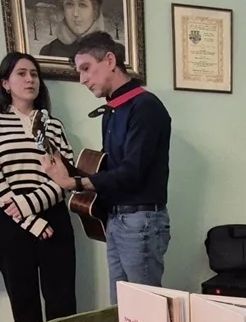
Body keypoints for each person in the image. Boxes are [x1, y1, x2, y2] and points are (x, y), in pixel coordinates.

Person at [42, 31, 171, 304]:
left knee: (144, 312)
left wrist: (73, 184)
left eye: (86, 68)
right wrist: (65, 170)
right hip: (116, 219)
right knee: (120, 309)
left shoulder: (146, 107)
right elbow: (108, 170)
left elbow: (132, 173)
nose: (82, 79)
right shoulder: (111, 111)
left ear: (110, 60)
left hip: (140, 222)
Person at [0, 52, 78, 322]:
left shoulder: (52, 124)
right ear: (5, 83)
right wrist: (29, 220)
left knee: (62, 303)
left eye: (34, 74)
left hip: (53, 214)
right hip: (11, 220)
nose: (30, 79)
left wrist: (30, 205)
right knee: (24, 303)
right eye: (21, 73)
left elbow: (66, 176)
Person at [39, 0, 106, 59]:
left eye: (82, 5)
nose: (75, 14)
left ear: (95, 11)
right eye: (69, 4)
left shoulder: (110, 52)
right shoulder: (48, 52)